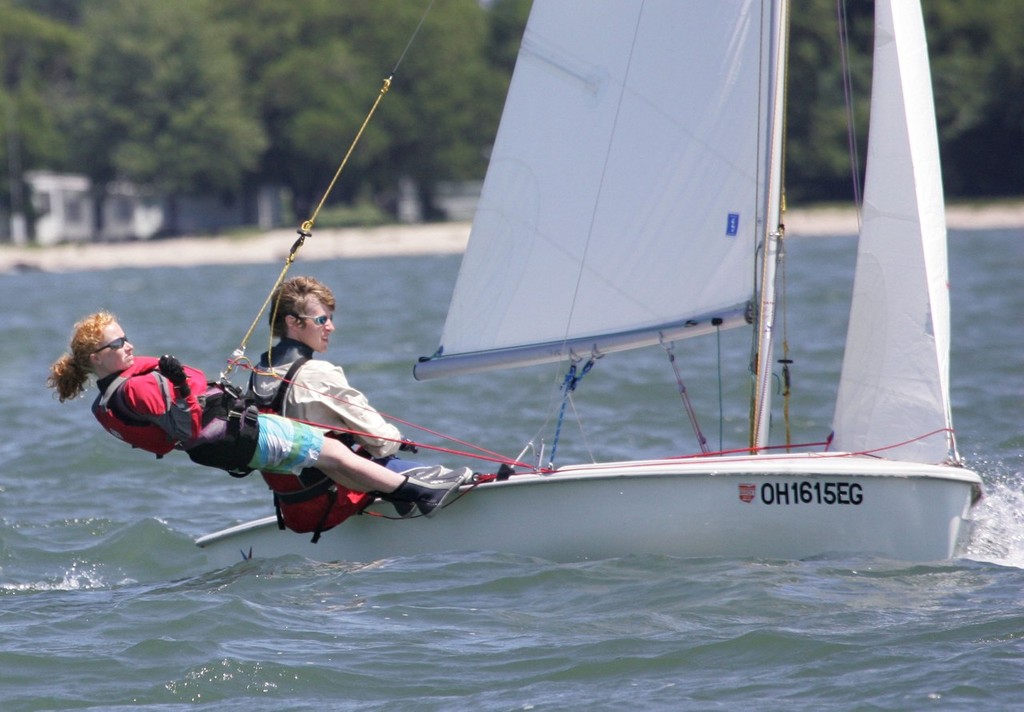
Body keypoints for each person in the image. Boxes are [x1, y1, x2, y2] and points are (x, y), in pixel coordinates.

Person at [47, 311, 472, 530]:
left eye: (126, 338)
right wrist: (177, 381)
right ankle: (416, 492)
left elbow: (170, 435)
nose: (129, 345)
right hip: (234, 437)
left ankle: (394, 493)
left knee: (325, 458)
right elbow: (187, 425)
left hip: (221, 447)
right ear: (96, 359)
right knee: (333, 452)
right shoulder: (137, 388)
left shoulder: (106, 400)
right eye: (118, 343)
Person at [248, 276, 463, 522]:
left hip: (294, 503)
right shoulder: (317, 374)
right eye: (321, 320)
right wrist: (397, 440)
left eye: (330, 319)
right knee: (456, 476)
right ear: (292, 322)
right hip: (334, 495)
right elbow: (381, 442)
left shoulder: (259, 373)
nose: (330, 327)